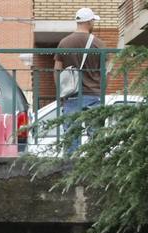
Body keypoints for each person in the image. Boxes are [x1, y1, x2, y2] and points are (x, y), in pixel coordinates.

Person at [56, 8, 105, 152]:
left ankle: (69, 171)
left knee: (71, 138)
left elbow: (57, 69)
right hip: (94, 94)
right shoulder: (98, 44)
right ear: (89, 22)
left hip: (71, 95)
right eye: (93, 21)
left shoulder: (64, 43)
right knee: (96, 137)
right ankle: (95, 168)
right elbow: (106, 70)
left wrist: (60, 93)